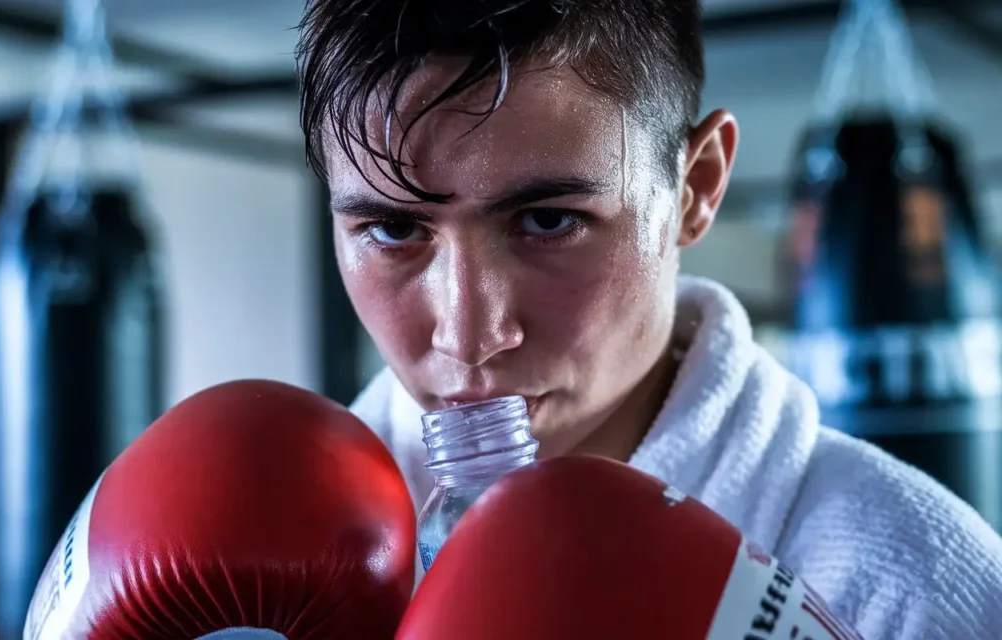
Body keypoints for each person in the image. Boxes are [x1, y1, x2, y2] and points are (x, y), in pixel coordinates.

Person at [294, 1, 1002, 637]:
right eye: (391, 230)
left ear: (695, 187)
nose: (470, 334)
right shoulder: (282, 570)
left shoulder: (909, 589)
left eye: (548, 221)